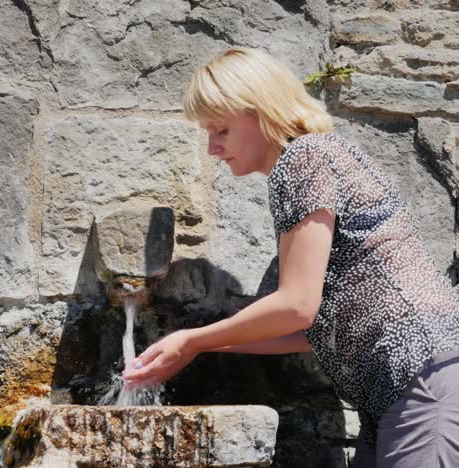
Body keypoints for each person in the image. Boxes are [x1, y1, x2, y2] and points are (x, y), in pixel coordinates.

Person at [122, 47, 459, 467]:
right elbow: (307, 329)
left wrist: (192, 339)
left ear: (259, 111)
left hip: (420, 380)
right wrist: (196, 349)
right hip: (401, 388)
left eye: (220, 130)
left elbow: (296, 308)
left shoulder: (304, 159)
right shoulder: (313, 162)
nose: (211, 148)